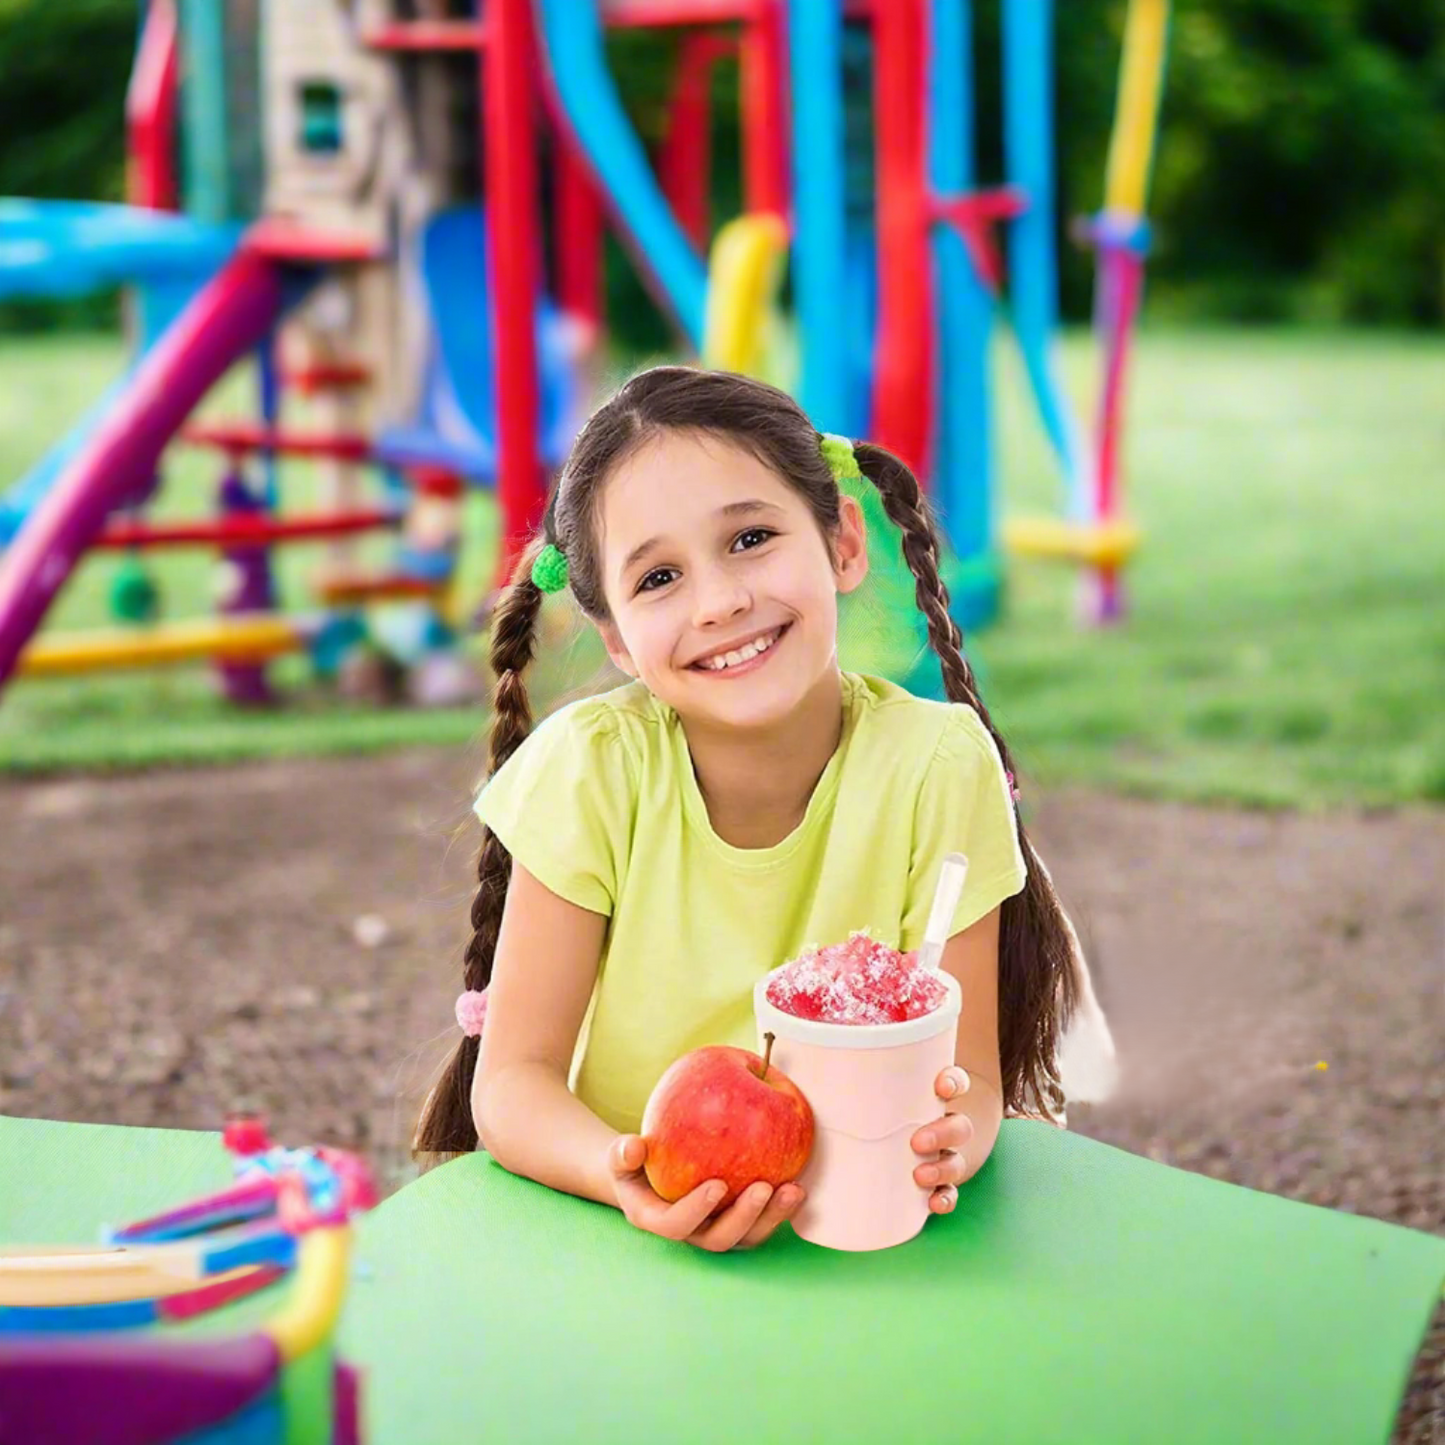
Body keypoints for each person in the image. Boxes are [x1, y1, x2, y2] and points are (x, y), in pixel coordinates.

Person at [414, 366, 1117, 1250]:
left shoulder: (937, 766)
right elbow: (513, 1081)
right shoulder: (592, 769)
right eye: (660, 575)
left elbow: (968, 1073)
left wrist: (955, 1139)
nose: (721, 601)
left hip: (863, 1236)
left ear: (844, 543)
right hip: (623, 1238)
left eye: (750, 537)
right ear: (618, 640)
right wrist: (624, 1174)